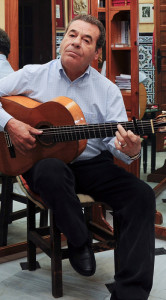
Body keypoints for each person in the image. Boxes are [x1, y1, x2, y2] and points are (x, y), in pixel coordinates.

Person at [0, 14, 155, 300]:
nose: (76, 42)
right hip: (43, 164)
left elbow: (115, 143)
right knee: (50, 170)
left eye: (87, 40)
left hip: (92, 166)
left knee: (142, 196)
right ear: (62, 41)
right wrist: (10, 124)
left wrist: (130, 150)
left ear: (96, 53)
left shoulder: (107, 90)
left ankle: (130, 293)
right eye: (72, 35)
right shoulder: (33, 74)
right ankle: (79, 239)